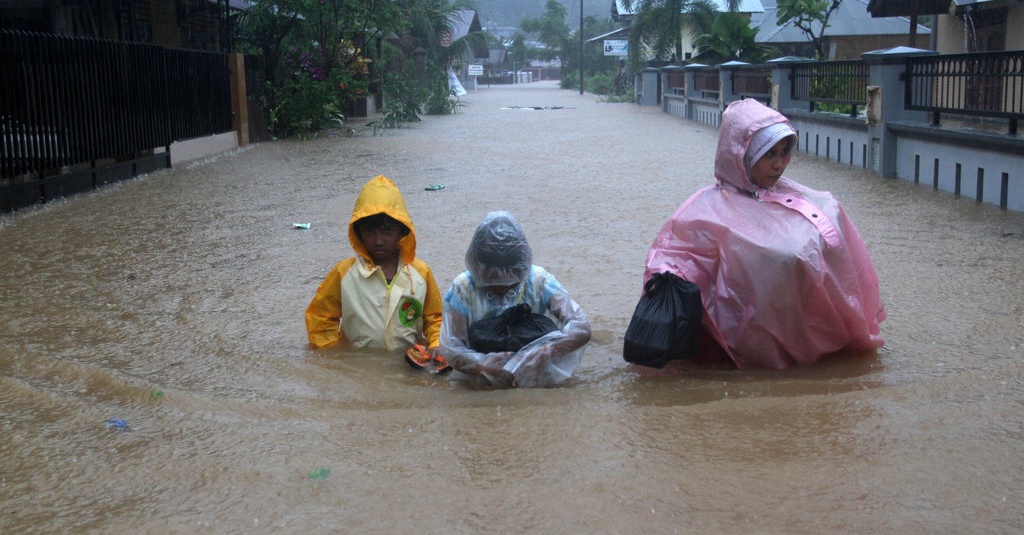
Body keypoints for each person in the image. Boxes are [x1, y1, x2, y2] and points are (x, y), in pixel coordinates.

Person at [644, 99, 886, 369]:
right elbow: (676, 256)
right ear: (742, 154)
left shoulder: (818, 202)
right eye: (769, 154)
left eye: (784, 153)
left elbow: (847, 267)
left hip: (804, 325)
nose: (779, 164)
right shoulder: (704, 210)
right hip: (747, 333)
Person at [305, 175, 445, 368]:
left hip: (408, 365)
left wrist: (436, 344)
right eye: (370, 232)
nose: (378, 240)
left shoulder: (420, 273)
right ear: (359, 233)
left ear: (401, 231)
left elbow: (434, 318)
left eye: (387, 231)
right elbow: (321, 319)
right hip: (358, 367)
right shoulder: (344, 273)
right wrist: (335, 357)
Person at [440, 211, 591, 387]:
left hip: (537, 376)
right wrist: (483, 366)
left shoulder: (540, 281)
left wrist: (547, 351)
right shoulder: (463, 288)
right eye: (492, 282)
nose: (503, 289)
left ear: (522, 269)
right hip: (479, 383)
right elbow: (452, 348)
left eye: (511, 283)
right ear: (479, 269)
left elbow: (581, 328)